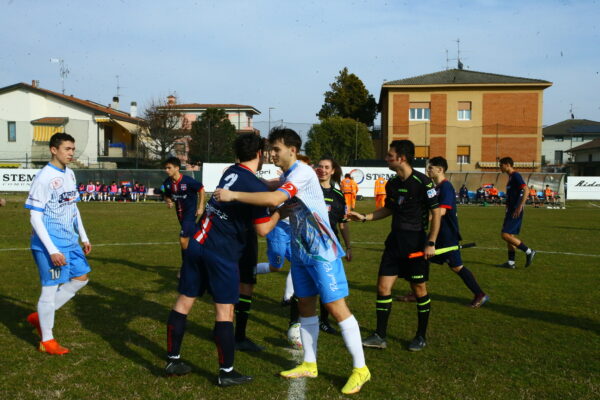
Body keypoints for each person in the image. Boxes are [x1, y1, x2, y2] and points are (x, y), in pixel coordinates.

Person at [214, 127, 370, 395]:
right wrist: (240, 175)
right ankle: (309, 363)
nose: (271, 154)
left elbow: (275, 198)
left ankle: (360, 369)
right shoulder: (287, 174)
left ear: (292, 150)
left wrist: (233, 194)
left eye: (276, 149)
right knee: (305, 306)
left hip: (322, 251)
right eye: (270, 149)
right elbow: (268, 186)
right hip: (301, 252)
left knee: (335, 307)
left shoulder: (302, 172)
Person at [164, 133, 281, 387]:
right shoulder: (255, 185)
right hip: (221, 253)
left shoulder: (231, 171)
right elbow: (262, 230)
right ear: (260, 154)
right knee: (225, 310)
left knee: (184, 301)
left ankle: (173, 358)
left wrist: (271, 186)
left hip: (197, 242)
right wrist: (280, 213)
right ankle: (226, 372)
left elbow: (250, 185)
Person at [347, 140, 441, 352]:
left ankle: (420, 336)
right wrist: (364, 217)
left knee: (419, 289)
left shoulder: (423, 182)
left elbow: (436, 213)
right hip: (394, 243)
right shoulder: (392, 183)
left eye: (390, 155)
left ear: (402, 158)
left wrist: (431, 242)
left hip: (416, 243)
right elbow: (388, 209)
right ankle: (380, 335)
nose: (387, 158)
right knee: (383, 288)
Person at [24, 132, 92, 355]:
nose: (71, 153)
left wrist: (84, 236)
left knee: (81, 278)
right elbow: (35, 216)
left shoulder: (70, 174)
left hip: (70, 241)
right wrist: (52, 250)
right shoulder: (44, 177)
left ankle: (40, 316)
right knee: (49, 290)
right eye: (67, 149)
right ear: (54, 150)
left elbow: (74, 208)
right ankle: (47, 340)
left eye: (73, 149)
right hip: (49, 244)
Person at [426, 157, 489, 307]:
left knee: (456, 266)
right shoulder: (436, 188)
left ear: (440, 169)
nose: (428, 170)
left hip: (448, 234)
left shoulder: (446, 187)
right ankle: (418, 292)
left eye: (430, 168)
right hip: (438, 233)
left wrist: (424, 220)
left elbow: (441, 211)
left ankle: (480, 294)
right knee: (423, 259)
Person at [314, 156, 353, 334]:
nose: (322, 169)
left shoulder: (338, 196)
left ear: (332, 171)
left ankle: (324, 320)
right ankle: (295, 322)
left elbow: (343, 223)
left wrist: (348, 246)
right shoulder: (309, 190)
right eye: (319, 166)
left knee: (328, 284)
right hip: (310, 245)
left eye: (326, 167)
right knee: (306, 286)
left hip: (330, 247)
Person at [161, 157, 206, 273]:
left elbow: (201, 189)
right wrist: (168, 200)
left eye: (169, 168)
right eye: (165, 168)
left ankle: (187, 267)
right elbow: (165, 194)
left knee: (183, 239)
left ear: (177, 168)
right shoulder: (167, 183)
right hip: (180, 215)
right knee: (191, 240)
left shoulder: (188, 181)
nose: (166, 170)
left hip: (190, 214)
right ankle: (201, 263)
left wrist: (200, 206)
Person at [498, 157, 536, 269]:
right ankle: (511, 263)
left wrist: (520, 205)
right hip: (511, 210)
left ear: (507, 165)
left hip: (515, 210)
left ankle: (529, 251)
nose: (500, 167)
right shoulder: (510, 177)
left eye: (501, 165)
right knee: (509, 236)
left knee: (504, 235)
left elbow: (526, 190)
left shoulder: (515, 175)